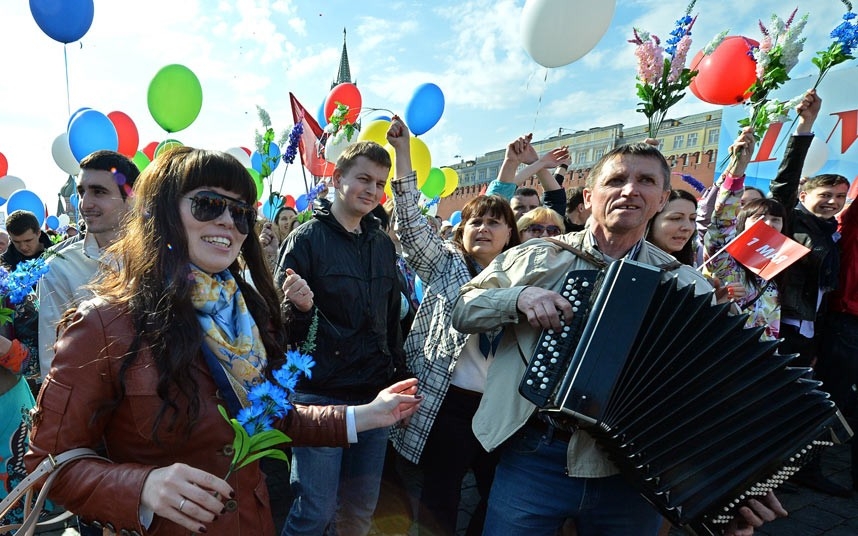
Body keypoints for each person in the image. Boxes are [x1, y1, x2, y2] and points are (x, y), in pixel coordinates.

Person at [24, 147, 421, 536]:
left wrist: (368, 414)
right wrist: (143, 486)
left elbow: (272, 415)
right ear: (163, 211)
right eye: (209, 204)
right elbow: (50, 465)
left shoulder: (249, 312)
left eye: (242, 213)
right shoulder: (103, 323)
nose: (229, 221)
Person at [451, 142, 787, 535]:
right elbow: (465, 308)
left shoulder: (685, 284)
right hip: (534, 452)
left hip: (631, 469)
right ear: (590, 197)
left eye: (645, 181)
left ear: (661, 199)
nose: (630, 190)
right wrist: (519, 297)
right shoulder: (538, 256)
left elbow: (713, 388)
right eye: (617, 180)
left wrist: (731, 481)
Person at [389, 120, 521, 536]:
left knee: (503, 495)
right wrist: (404, 152)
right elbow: (409, 223)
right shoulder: (447, 265)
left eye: (493, 223)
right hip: (450, 404)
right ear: (460, 232)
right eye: (474, 223)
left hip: (503, 407)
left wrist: (511, 168)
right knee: (440, 498)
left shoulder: (527, 275)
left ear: (510, 235)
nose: (482, 228)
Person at [274, 140, 409, 536]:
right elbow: (282, 329)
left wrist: (395, 375)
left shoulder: (383, 245)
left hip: (374, 394)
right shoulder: (305, 239)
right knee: (315, 511)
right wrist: (297, 309)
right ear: (337, 179)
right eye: (364, 178)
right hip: (320, 394)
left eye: (380, 183)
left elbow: (389, 322)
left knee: (360, 510)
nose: (372, 189)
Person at [768, 90, 852, 497]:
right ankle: (763, 474)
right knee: (777, 401)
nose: (832, 203)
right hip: (780, 326)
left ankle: (800, 468)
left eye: (839, 198)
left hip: (813, 330)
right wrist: (804, 128)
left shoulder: (832, 232)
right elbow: (783, 180)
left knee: (804, 402)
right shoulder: (790, 218)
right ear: (804, 196)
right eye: (825, 196)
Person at [38, 150, 140, 381]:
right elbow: (53, 361)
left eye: (99, 192)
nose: (85, 204)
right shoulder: (60, 269)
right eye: (82, 192)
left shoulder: (160, 256)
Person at [703, 128, 787, 341]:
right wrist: (737, 169)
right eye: (758, 217)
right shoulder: (726, 259)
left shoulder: (780, 268)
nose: (768, 223)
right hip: (725, 354)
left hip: (761, 361)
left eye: (775, 219)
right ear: (741, 223)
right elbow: (721, 221)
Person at [645, 189, 699, 266]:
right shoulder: (628, 263)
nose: (688, 227)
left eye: (692, 219)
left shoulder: (690, 270)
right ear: (650, 220)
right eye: (676, 218)